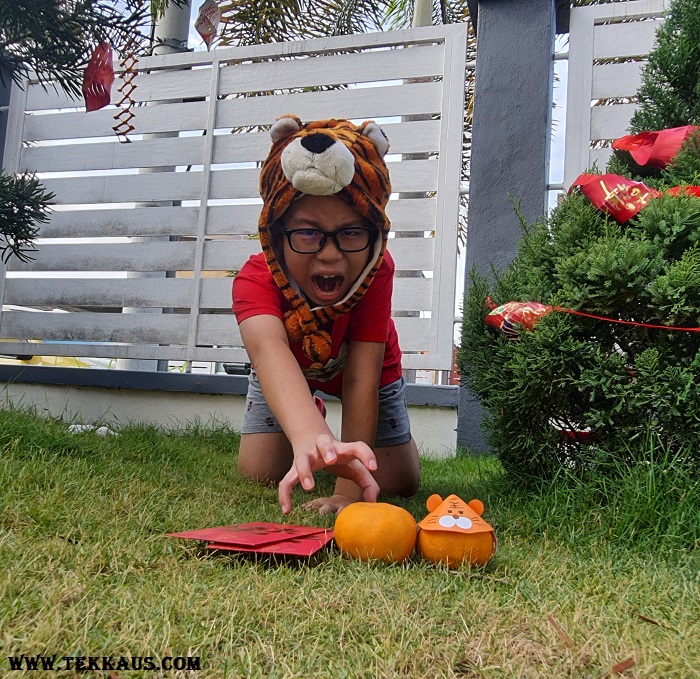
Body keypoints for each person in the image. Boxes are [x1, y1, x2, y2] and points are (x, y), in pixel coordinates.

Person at [232, 114, 420, 515]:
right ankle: (307, 412)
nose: (330, 253)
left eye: (351, 232)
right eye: (307, 233)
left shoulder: (376, 271)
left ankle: (313, 427)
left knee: (400, 482)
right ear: (275, 234)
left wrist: (348, 492)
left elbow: (360, 380)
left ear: (375, 234)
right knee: (258, 471)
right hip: (288, 370)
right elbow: (268, 353)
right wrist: (312, 436)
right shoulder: (253, 280)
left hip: (367, 371)